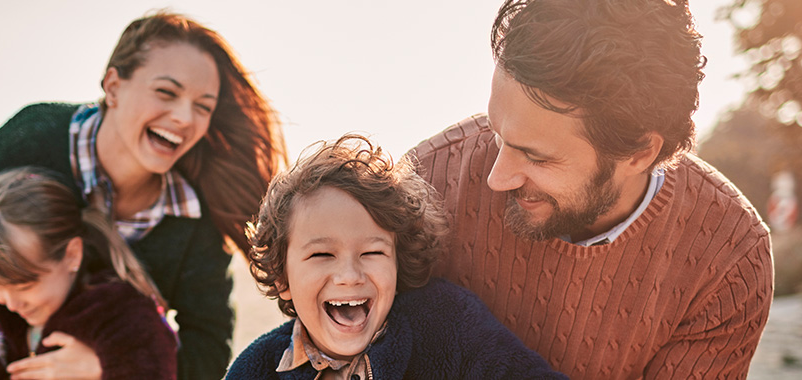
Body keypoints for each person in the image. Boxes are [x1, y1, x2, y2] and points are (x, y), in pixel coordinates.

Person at [0, 10, 286, 380]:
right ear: (113, 86)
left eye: (203, 107)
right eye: (166, 92)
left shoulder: (196, 218)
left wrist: (108, 367)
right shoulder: (31, 139)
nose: (185, 118)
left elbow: (208, 348)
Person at [407, 0, 774, 378]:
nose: (496, 179)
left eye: (536, 157)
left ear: (639, 153)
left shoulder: (729, 259)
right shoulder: (420, 186)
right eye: (497, 136)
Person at [228, 134, 565, 380]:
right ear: (282, 279)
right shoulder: (255, 368)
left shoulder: (446, 323)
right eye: (322, 254)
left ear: (397, 261)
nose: (349, 275)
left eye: (373, 252)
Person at [0, 167, 177, 380]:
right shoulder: (4, 329)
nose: (9, 302)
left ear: (72, 255)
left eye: (23, 286)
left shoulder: (122, 317)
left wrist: (103, 370)